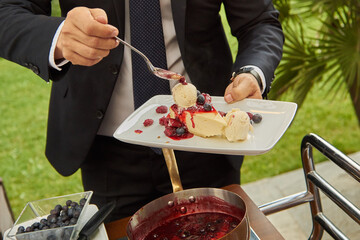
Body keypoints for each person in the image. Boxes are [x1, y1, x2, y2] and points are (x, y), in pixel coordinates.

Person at [0, 0, 284, 222]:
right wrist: (59, 37)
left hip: (206, 139)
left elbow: (259, 22)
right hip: (107, 149)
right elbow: (7, 11)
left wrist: (253, 72)